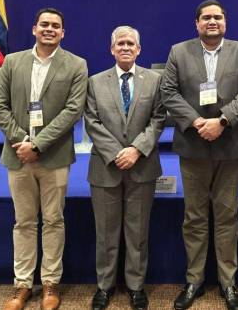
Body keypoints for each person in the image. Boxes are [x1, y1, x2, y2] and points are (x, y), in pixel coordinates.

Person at [161, 0, 238, 310]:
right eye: (206, 18)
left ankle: (228, 283)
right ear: (197, 24)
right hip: (193, 146)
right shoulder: (179, 51)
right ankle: (195, 280)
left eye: (217, 17)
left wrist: (222, 121)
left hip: (229, 146)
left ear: (225, 23)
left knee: (227, 217)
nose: (212, 22)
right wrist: (196, 122)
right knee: (194, 217)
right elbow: (168, 92)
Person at [0, 8, 88, 310]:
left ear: (63, 33)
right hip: (18, 155)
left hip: (54, 157)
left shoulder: (76, 65)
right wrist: (23, 141)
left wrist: (39, 144)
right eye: (44, 24)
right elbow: (0, 106)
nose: (49, 29)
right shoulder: (12, 62)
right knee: (23, 222)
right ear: (34, 29)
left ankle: (50, 283)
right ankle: (22, 285)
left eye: (56, 26)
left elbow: (73, 111)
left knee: (53, 220)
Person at [84, 26, 166, 310]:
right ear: (112, 49)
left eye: (131, 43)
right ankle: (104, 287)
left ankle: (135, 286)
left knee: (137, 231)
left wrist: (136, 150)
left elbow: (158, 119)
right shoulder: (95, 82)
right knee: (105, 232)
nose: (126, 47)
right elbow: (91, 122)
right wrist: (117, 152)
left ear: (139, 49)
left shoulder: (155, 81)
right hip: (105, 167)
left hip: (142, 166)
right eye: (120, 43)